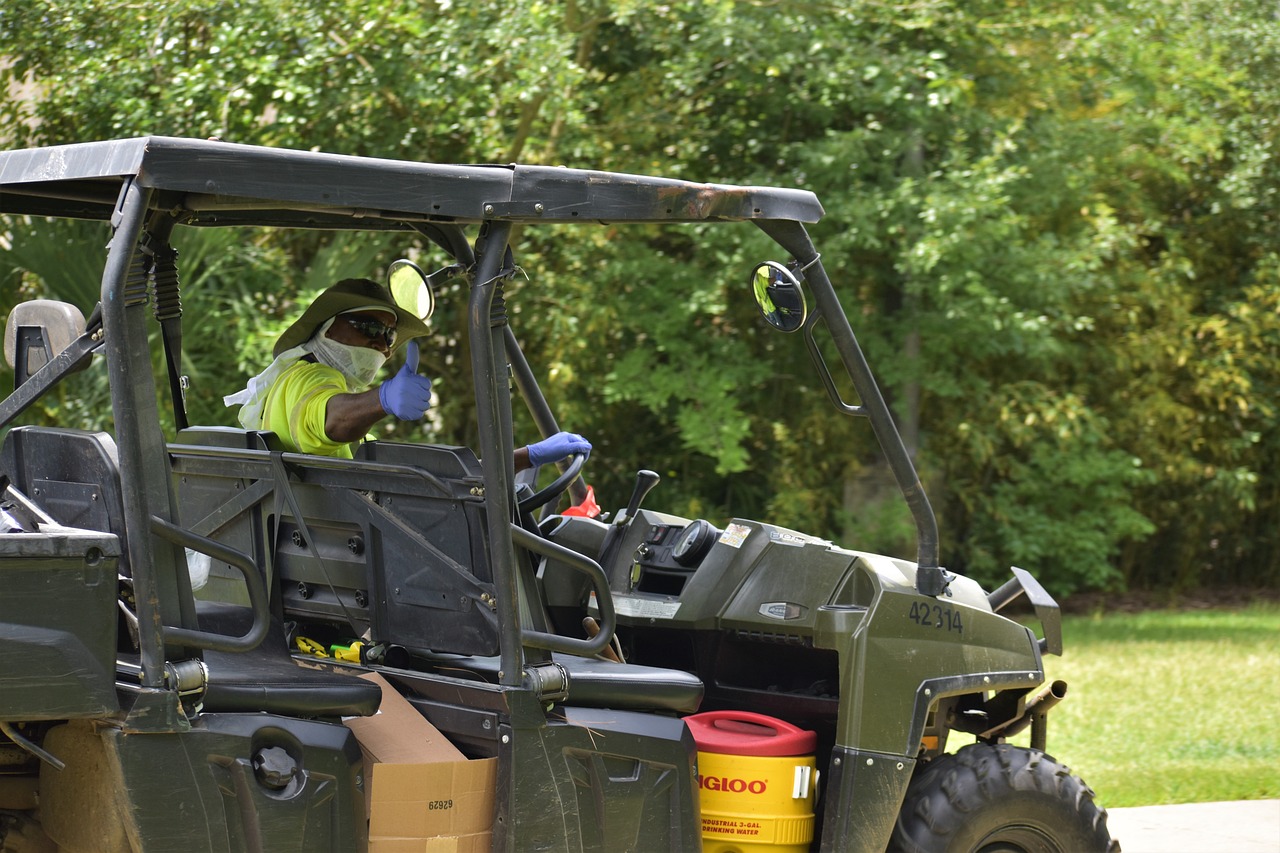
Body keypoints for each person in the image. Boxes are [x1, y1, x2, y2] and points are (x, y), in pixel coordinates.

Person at [224, 277, 590, 469]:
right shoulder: (310, 378)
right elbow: (329, 420)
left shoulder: (318, 385)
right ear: (328, 328)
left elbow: (431, 484)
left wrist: (525, 457)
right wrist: (380, 399)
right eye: (370, 328)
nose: (383, 345)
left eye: (389, 336)